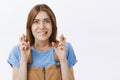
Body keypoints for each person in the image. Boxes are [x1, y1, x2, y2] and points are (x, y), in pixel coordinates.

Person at [7, 4, 77, 80]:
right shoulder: (18, 51)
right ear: (30, 26)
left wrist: (63, 60)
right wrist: (24, 60)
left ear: (52, 25)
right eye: (36, 22)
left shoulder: (64, 48)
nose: (42, 26)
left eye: (47, 21)